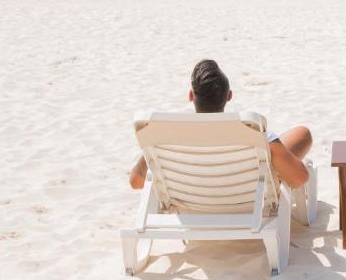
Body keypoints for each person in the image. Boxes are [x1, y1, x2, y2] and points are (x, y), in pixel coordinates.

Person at [128, 59, 312, 189]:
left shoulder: (163, 136)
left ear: (191, 96)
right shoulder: (252, 132)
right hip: (247, 200)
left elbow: (136, 182)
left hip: (190, 202)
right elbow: (299, 179)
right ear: (229, 96)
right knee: (301, 133)